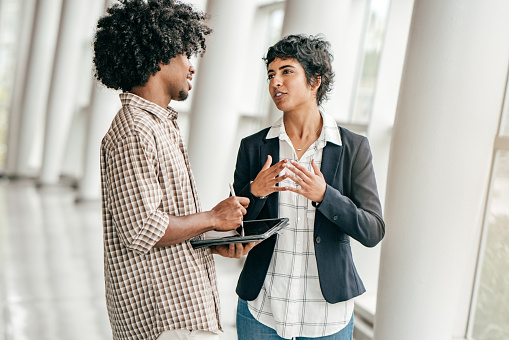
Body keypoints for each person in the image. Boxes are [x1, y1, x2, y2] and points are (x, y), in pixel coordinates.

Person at [93, 1, 256, 339]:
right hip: (163, 319)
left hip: (178, 313)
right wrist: (212, 218)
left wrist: (208, 242)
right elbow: (143, 229)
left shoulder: (158, 126)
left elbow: (161, 219)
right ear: (157, 56)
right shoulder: (135, 131)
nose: (191, 66)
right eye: (184, 53)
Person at [232, 34, 386, 340]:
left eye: (287, 71)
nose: (276, 82)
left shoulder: (353, 148)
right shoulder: (253, 147)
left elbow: (373, 230)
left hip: (328, 318)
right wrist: (255, 192)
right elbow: (236, 229)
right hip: (261, 310)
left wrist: (326, 196)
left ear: (315, 82)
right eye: (271, 75)